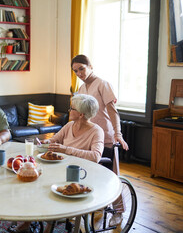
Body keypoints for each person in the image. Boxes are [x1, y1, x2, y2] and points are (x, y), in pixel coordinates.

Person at [9, 94, 104, 233]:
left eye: (72, 108)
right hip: (60, 167)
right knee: (35, 181)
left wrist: (66, 149)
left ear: (81, 114)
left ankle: (48, 225)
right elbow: (55, 139)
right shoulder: (70, 125)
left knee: (46, 187)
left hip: (81, 173)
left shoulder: (96, 131)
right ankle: (28, 220)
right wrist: (47, 142)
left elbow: (96, 156)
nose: (69, 110)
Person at [72, 54, 128, 226]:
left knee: (111, 176)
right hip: (89, 136)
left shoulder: (103, 84)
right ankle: (99, 206)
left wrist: (118, 134)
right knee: (92, 174)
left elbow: (113, 112)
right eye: (75, 71)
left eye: (82, 68)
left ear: (90, 66)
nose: (79, 73)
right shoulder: (81, 89)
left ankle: (118, 212)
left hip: (107, 137)